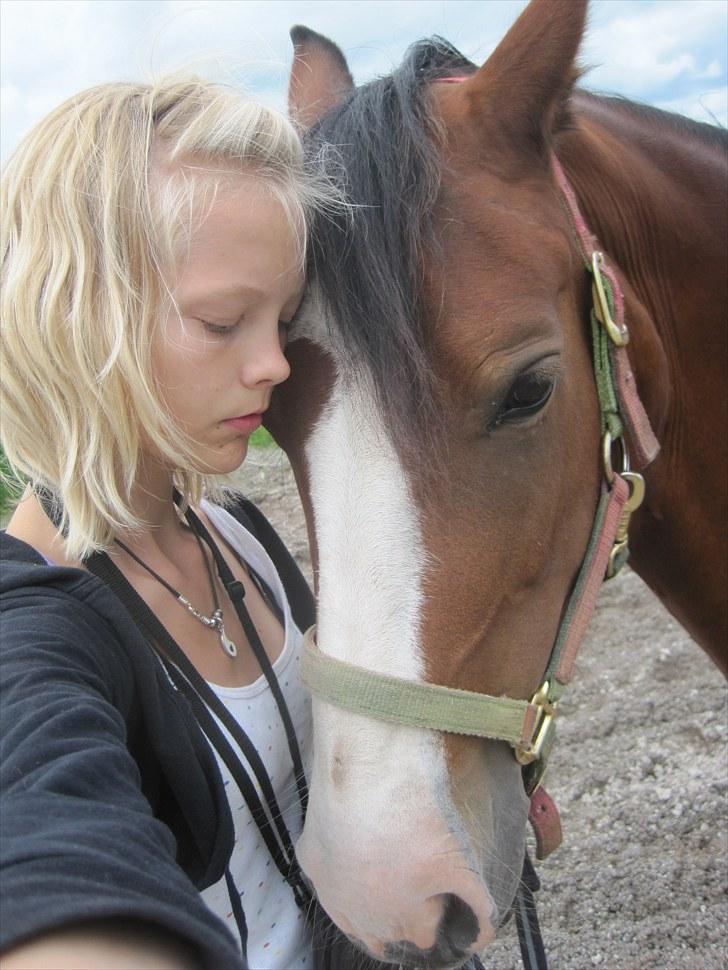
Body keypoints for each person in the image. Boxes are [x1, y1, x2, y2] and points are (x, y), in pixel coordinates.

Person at [0, 76, 335, 970]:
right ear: (74, 313)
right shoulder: (30, 627)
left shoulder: (243, 539)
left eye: (283, 318)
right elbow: (45, 827)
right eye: (222, 321)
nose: (271, 365)